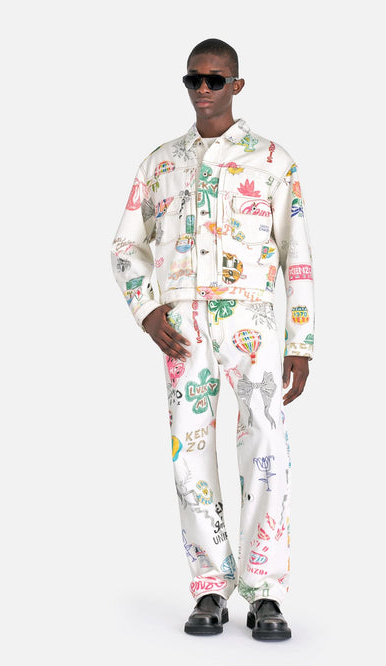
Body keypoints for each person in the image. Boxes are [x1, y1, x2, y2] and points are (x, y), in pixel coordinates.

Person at [110, 38, 315, 641]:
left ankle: (266, 590)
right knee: (189, 455)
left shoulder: (272, 160)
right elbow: (125, 244)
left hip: (252, 325)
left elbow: (296, 253)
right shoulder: (160, 163)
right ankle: (208, 585)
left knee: (266, 449)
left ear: (236, 85)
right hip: (183, 330)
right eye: (193, 79)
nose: (203, 89)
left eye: (215, 79)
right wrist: (148, 310)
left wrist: (300, 342)